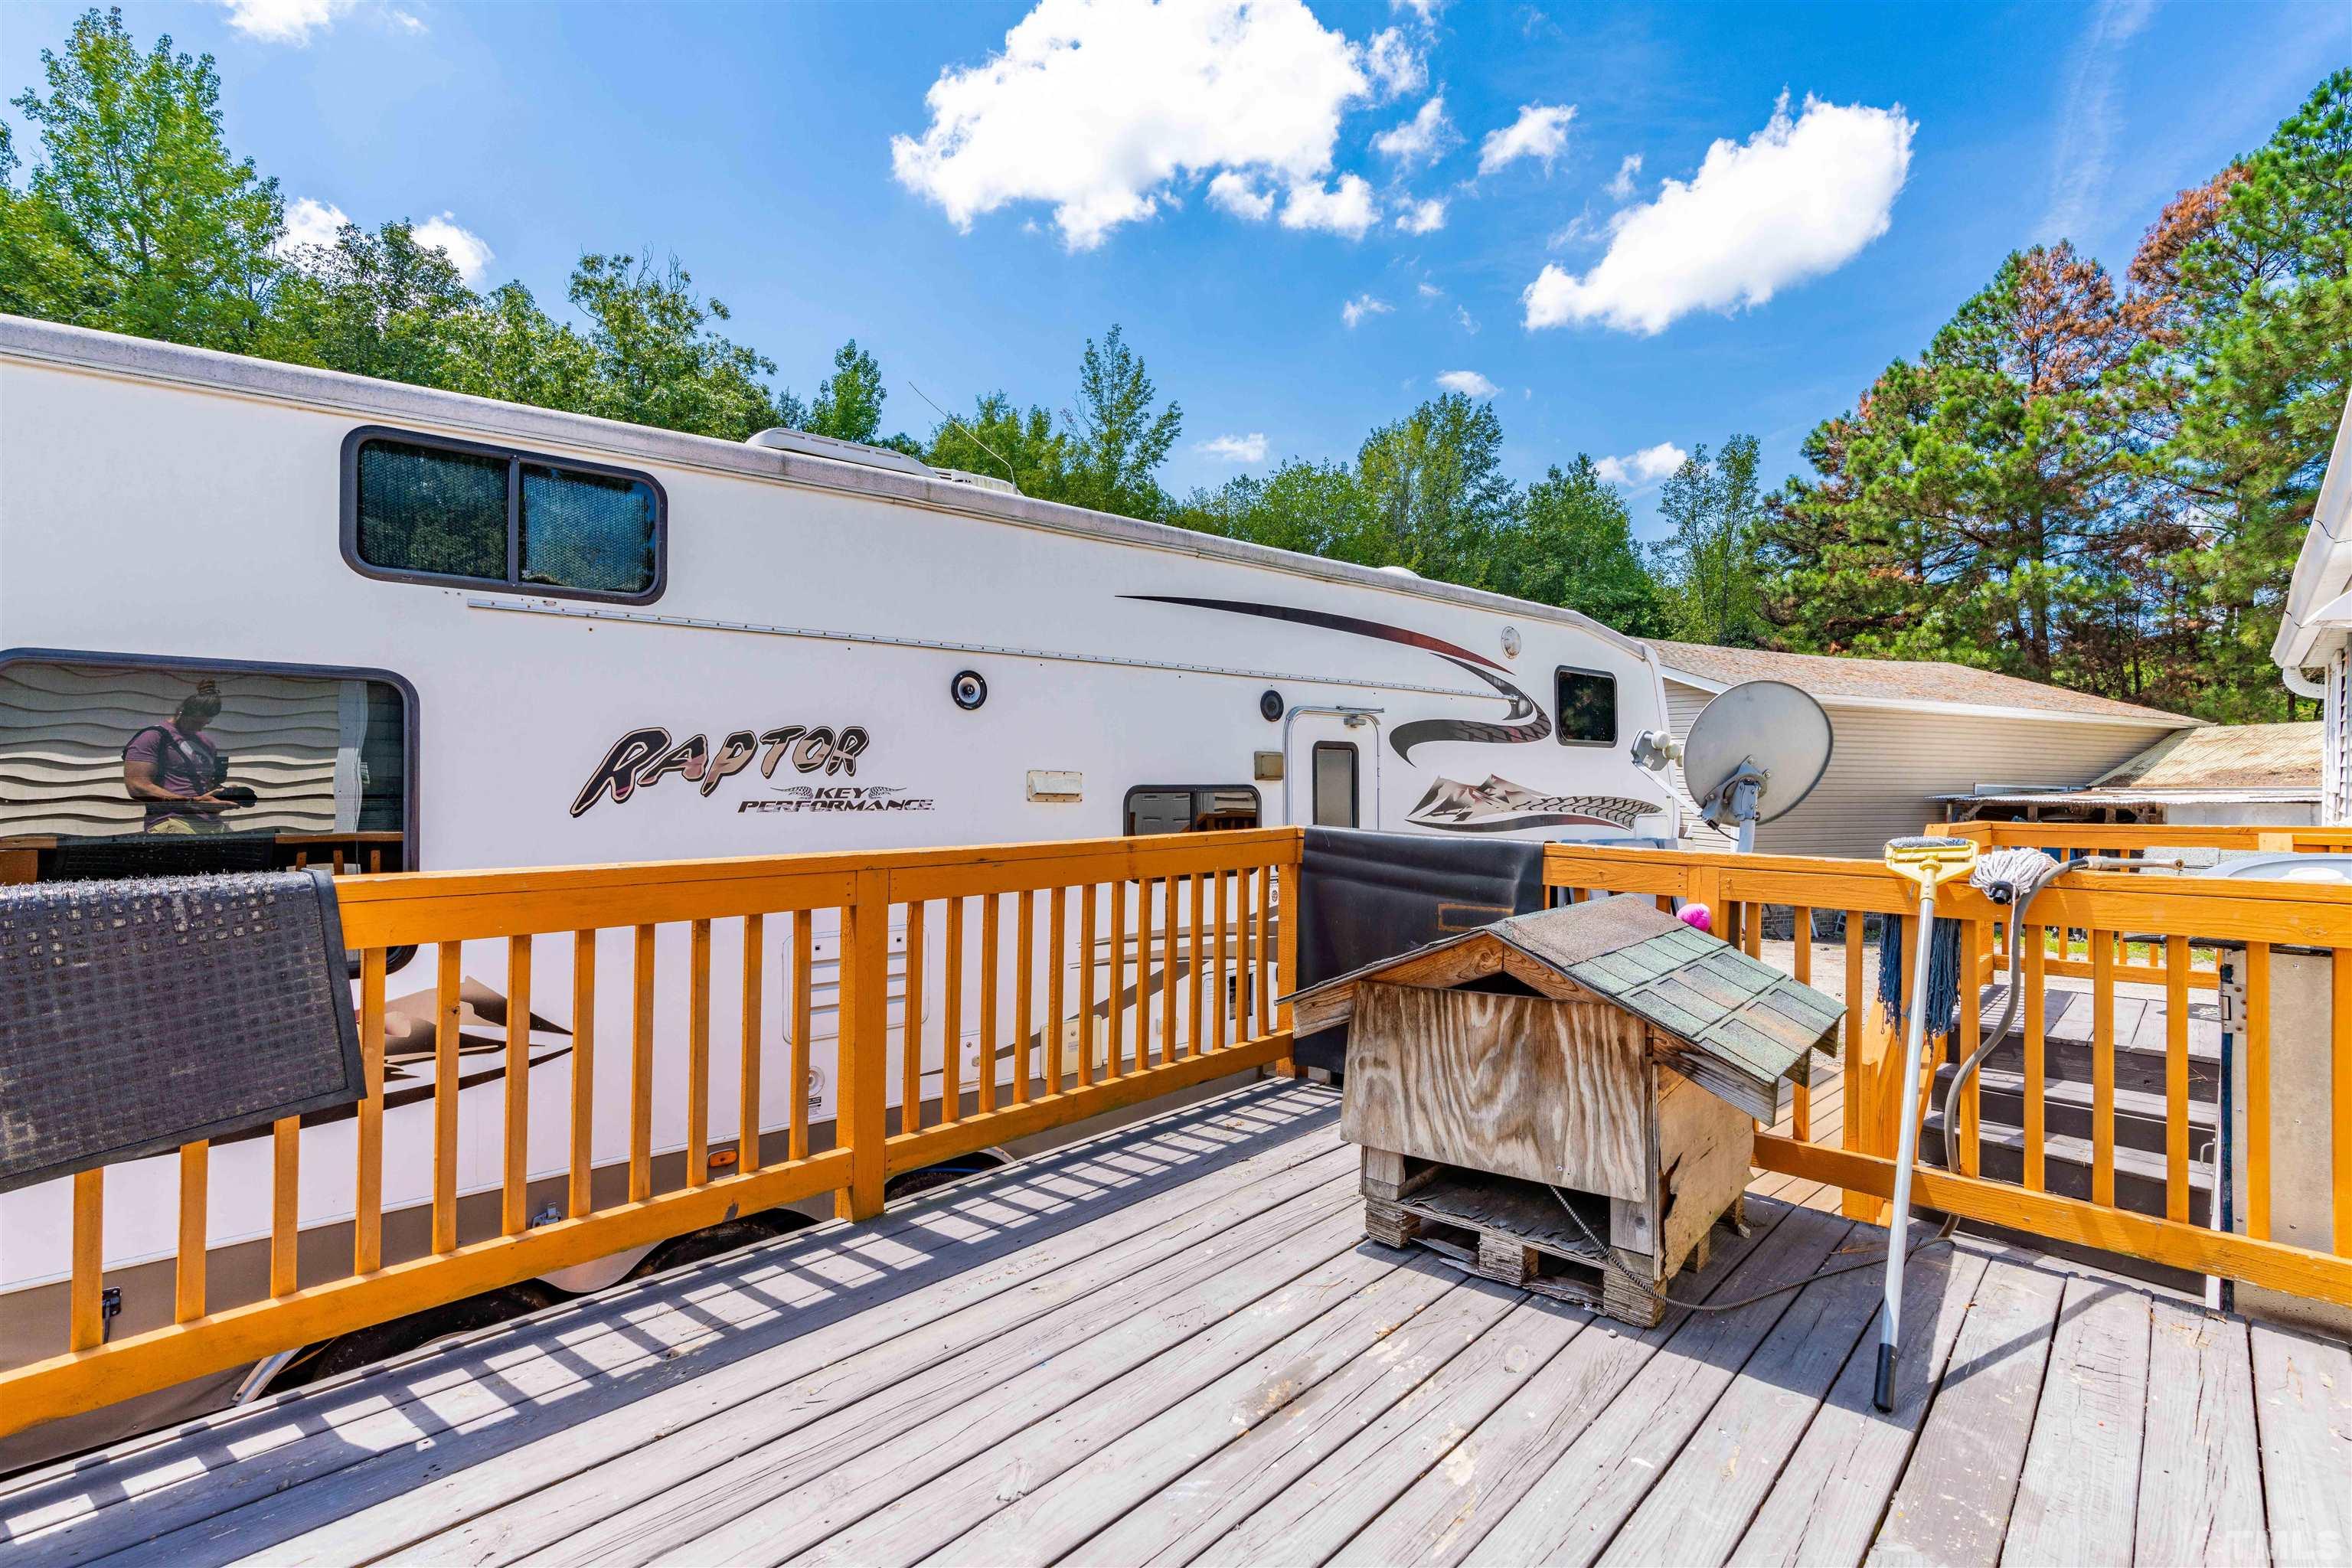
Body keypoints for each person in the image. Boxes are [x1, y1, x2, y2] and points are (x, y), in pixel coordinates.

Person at [122, 681, 247, 834]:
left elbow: (204, 789)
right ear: (182, 711)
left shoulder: (207, 744)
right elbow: (137, 787)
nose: (199, 728)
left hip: (212, 824)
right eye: (195, 722)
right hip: (173, 822)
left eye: (206, 723)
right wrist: (192, 803)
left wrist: (221, 796)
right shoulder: (154, 736)